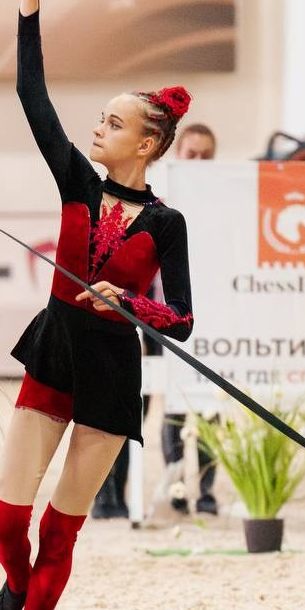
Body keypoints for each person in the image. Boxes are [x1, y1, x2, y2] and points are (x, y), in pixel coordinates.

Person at [0, 0, 194, 610]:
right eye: (99, 118)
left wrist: (132, 302)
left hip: (110, 368)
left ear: (147, 141)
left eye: (112, 122)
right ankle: (16, 583)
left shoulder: (167, 223)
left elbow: (184, 318)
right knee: (7, 521)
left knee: (62, 527)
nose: (96, 127)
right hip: (53, 348)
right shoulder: (75, 178)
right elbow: (30, 96)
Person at [94, 123, 220, 520]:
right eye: (191, 153)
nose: (197, 161)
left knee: (198, 402)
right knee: (132, 403)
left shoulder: (218, 206)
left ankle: (200, 490)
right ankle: (110, 494)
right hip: (143, 312)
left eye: (205, 155)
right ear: (177, 153)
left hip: (193, 315)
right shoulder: (155, 205)